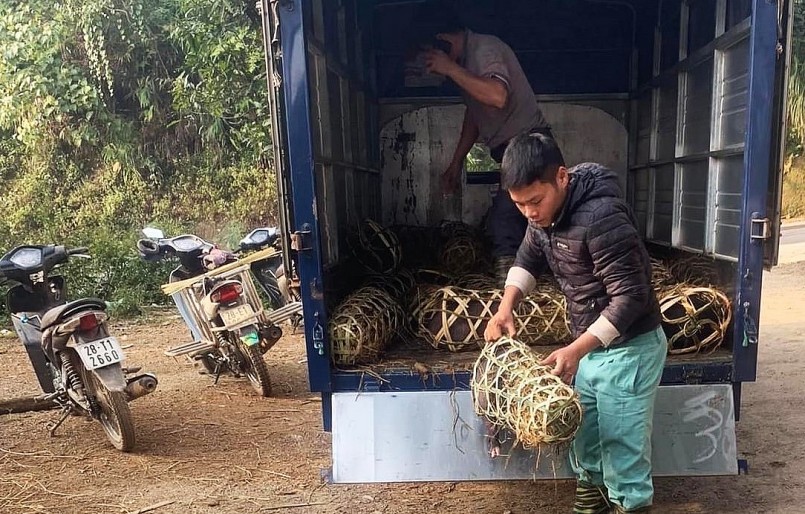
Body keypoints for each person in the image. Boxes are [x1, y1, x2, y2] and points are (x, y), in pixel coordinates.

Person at [483, 134, 666, 514]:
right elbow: (527, 259)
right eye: (520, 205)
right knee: (587, 439)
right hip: (591, 347)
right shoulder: (545, 216)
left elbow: (630, 297)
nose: (530, 213)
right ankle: (590, 504)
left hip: (630, 348)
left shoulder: (602, 217)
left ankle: (630, 506)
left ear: (562, 177)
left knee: (622, 447)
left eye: (535, 201)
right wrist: (505, 307)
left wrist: (576, 349)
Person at [415, 3, 561, 283]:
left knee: (507, 220)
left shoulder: (484, 49)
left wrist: (449, 69)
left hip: (529, 145)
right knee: (516, 219)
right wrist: (456, 163)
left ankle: (512, 294)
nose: (431, 67)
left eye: (431, 57)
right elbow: (476, 114)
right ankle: (525, 285)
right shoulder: (465, 65)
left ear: (444, 41)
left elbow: (497, 96)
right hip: (509, 150)